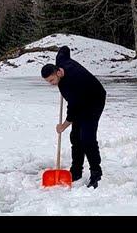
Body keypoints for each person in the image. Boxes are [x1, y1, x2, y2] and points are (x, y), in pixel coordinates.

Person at [41, 46, 106, 189]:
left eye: (52, 80)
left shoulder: (73, 82)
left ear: (58, 72)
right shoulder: (61, 62)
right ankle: (76, 170)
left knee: (86, 137)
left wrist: (63, 126)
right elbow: (64, 49)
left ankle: (96, 172)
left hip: (94, 100)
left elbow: (73, 110)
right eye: (49, 82)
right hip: (81, 100)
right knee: (75, 137)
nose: (51, 84)